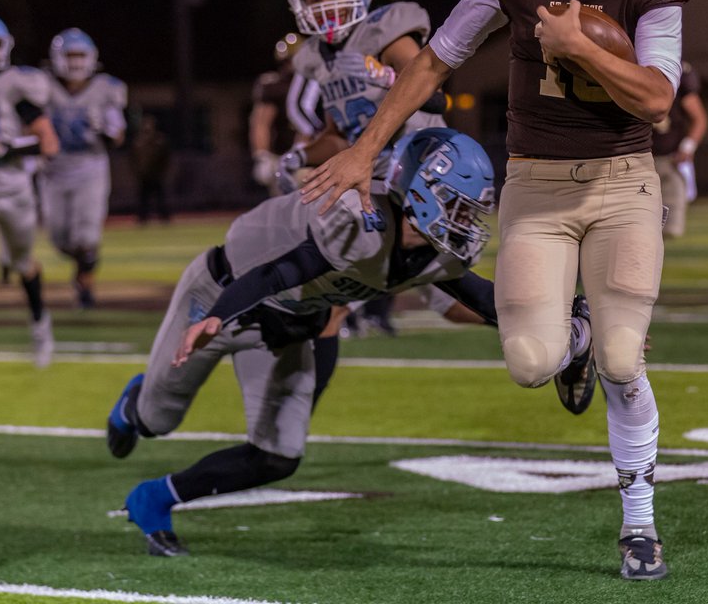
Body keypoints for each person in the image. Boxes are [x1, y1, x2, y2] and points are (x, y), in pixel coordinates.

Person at [301, 0, 697, 581]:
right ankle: (573, 341)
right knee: (528, 360)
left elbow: (655, 98)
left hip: (622, 181)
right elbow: (438, 60)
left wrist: (581, 46)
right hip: (537, 181)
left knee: (624, 358)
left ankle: (640, 519)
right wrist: (364, 148)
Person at [104, 128, 589, 557]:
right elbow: (283, 270)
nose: (464, 219)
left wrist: (567, 323)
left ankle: (155, 497)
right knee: (156, 419)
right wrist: (215, 316)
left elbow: (486, 299)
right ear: (418, 193)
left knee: (278, 455)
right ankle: (132, 406)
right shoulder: (360, 218)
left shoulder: (431, 252)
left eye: (470, 209)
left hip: (287, 323)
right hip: (222, 294)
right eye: (457, 204)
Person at [280, 0, 452, 338]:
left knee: (441, 291)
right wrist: (299, 155)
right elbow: (337, 136)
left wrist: (388, 79)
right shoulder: (318, 58)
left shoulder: (385, 32)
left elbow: (433, 90)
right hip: (372, 178)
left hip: (420, 167)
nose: (326, 4)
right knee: (445, 298)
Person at [0, 11, 59, 370]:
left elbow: (49, 144)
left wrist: (10, 148)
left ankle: (40, 325)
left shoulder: (15, 87)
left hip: (14, 187)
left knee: (22, 264)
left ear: (4, 47)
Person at [40, 28, 128, 309]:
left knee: (87, 236)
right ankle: (80, 265)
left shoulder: (107, 88)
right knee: (60, 239)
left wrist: (106, 128)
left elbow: (118, 135)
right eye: (70, 55)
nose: (76, 62)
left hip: (90, 168)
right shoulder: (42, 86)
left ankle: (85, 288)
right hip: (53, 170)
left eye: (81, 56)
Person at [248, 34, 317, 198]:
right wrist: (262, 155)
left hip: (311, 153)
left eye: (293, 59)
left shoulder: (316, 82)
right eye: (286, 60)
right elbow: (261, 122)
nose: (290, 65)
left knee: (309, 198)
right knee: (282, 205)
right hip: (280, 155)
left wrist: (301, 150)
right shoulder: (273, 85)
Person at [652, 60, 707, 239]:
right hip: (634, 159)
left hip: (669, 160)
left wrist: (687, 147)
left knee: (670, 229)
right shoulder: (628, 60)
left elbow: (699, 118)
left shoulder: (679, 70)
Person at [130, 114, 171, 223]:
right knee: (143, 199)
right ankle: (142, 218)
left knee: (161, 198)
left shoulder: (159, 140)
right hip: (144, 175)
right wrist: (138, 171)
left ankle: (165, 218)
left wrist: (162, 171)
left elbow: (166, 157)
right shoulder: (138, 141)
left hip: (157, 174)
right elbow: (133, 159)